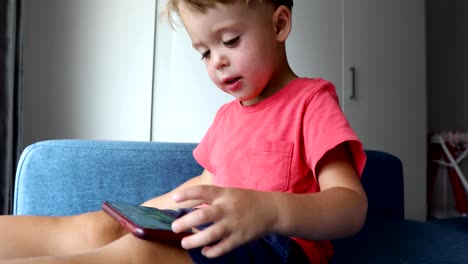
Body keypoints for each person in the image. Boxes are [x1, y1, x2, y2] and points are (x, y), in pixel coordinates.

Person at [0, 0, 368, 263]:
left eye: (230, 41)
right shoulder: (227, 116)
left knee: (141, 254)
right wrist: (142, 213)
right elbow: (203, 184)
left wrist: (270, 210)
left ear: (278, 25)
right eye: (204, 52)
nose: (218, 61)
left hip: (274, 246)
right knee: (101, 228)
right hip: (207, 232)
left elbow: (350, 205)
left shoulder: (310, 101)